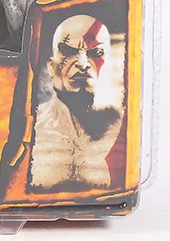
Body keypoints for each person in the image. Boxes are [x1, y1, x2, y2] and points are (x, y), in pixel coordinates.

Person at [29, 14, 123, 190]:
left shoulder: (124, 127)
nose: (82, 63)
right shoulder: (30, 127)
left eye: (96, 53)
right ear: (51, 67)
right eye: (69, 52)